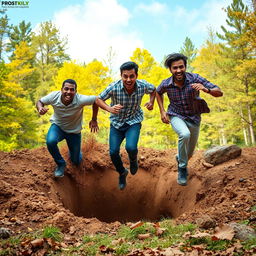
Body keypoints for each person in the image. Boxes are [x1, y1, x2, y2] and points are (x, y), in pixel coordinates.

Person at [156, 53, 223, 186]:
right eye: (175, 68)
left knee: (190, 154)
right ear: (170, 69)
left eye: (181, 67)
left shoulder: (195, 78)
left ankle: (180, 158)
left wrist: (206, 89)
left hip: (194, 117)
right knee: (184, 134)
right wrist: (162, 111)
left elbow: (219, 92)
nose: (178, 70)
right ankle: (182, 168)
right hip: (176, 115)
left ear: (185, 67)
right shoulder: (166, 84)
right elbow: (158, 92)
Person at [95, 61, 156, 190]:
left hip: (133, 120)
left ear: (136, 76)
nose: (128, 79)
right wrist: (109, 108)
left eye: (131, 76)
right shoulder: (114, 87)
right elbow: (98, 99)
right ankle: (122, 172)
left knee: (131, 147)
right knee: (113, 152)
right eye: (125, 76)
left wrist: (151, 102)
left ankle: (133, 161)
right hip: (117, 123)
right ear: (121, 76)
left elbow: (153, 89)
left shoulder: (142, 86)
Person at [36, 79, 99, 178]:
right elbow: (40, 101)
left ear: (75, 91)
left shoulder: (80, 99)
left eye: (72, 90)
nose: (69, 92)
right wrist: (40, 108)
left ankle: (76, 153)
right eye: (66, 89)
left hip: (74, 132)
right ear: (61, 90)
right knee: (50, 141)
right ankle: (61, 164)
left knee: (76, 161)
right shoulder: (54, 96)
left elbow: (96, 100)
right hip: (58, 127)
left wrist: (94, 119)